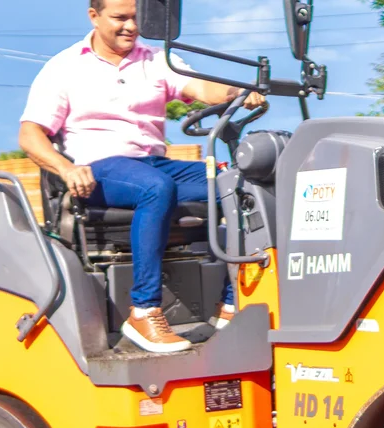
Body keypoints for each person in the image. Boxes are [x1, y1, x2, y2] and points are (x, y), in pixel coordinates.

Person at [18, 0, 266, 354]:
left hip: (153, 163)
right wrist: (67, 169)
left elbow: (200, 88)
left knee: (238, 182)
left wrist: (236, 93)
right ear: (94, 16)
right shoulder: (63, 68)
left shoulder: (155, 60)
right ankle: (144, 310)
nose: (130, 26)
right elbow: (30, 135)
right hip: (101, 169)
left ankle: (231, 305)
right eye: (120, 18)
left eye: (136, 17)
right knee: (155, 188)